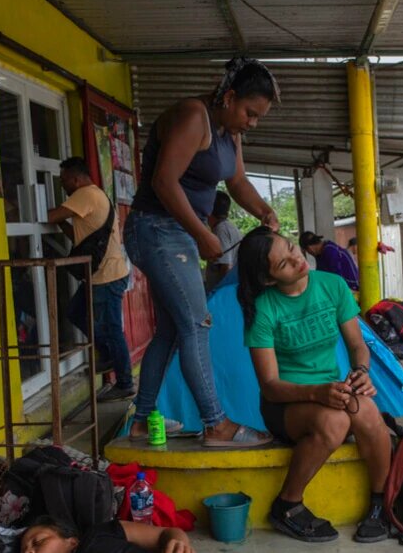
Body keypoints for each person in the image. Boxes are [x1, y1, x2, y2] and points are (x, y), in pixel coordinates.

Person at [124, 57, 280, 447]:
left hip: (178, 234)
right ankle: (216, 424)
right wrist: (203, 235)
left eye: (259, 117)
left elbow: (238, 180)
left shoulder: (230, 132)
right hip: (156, 229)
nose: (252, 122)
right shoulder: (194, 116)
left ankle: (142, 419)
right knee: (198, 323)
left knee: (174, 329)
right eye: (250, 112)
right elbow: (163, 181)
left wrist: (263, 210)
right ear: (228, 97)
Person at [236, 227, 390, 544]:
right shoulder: (264, 308)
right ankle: (288, 504)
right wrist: (316, 393)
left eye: (292, 248)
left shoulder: (332, 286)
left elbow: (357, 346)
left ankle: (380, 506)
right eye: (284, 264)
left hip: (332, 391)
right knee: (334, 421)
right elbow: (270, 385)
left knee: (369, 413)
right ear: (268, 279)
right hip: (287, 405)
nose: (296, 258)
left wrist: (361, 371)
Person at [48, 157, 135, 402]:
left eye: (64, 181)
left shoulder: (85, 194)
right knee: (76, 312)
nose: (63, 186)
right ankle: (107, 354)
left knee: (112, 329)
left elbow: (52, 216)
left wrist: (40, 210)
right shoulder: (96, 195)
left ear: (76, 179)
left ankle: (125, 382)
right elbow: (79, 234)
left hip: (106, 275)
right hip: (104, 273)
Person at [19, 515, 194, 553]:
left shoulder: (99, 535)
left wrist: (179, 544)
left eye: (37, 542)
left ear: (71, 542)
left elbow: (167, 532)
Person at [203, 191, 242, 292]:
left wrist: (218, 292)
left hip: (222, 291)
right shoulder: (231, 227)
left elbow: (226, 266)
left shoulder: (220, 230)